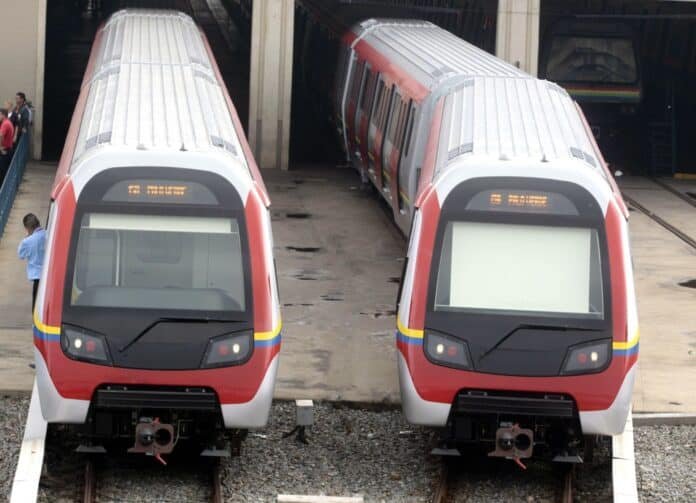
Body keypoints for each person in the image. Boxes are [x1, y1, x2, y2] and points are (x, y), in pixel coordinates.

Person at [17, 213, 46, 313]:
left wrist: (27, 237)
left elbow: (21, 254)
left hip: (37, 276)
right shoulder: (49, 234)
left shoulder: (28, 241)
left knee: (36, 305)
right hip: (49, 275)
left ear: (27, 227)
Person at [0, 108, 14, 183]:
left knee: (2, 172)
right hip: (8, 149)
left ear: (3, 115)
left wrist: (0, 148)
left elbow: (1, 135)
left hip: (5, 151)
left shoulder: (5, 124)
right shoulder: (8, 122)